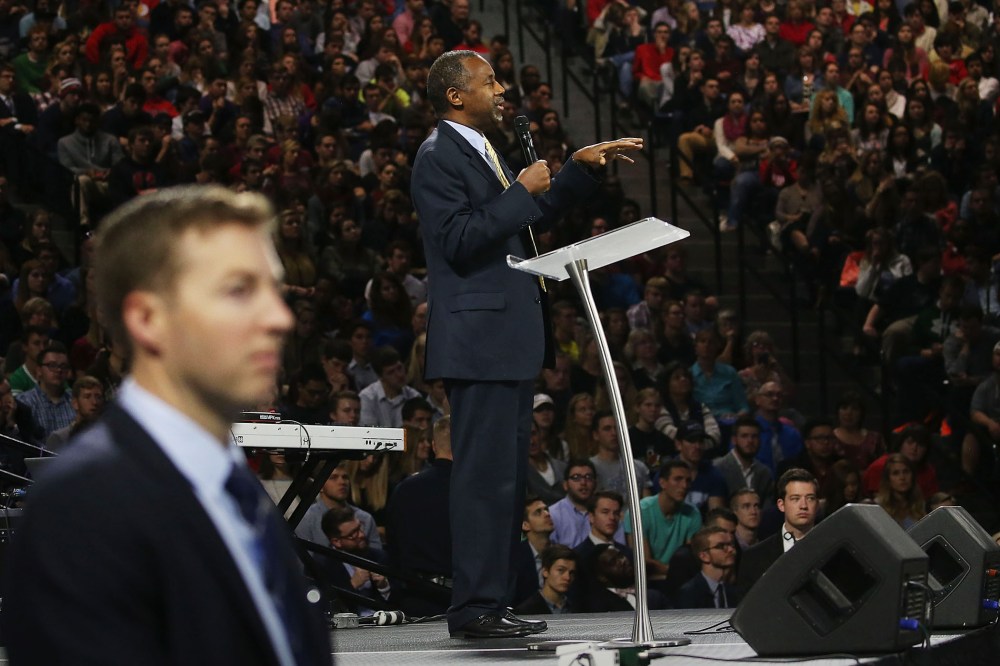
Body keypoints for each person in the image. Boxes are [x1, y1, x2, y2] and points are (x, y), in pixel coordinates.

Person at [2, 186, 330, 664]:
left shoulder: (231, 486)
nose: (278, 317)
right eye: (239, 290)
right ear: (148, 319)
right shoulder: (82, 511)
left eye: (275, 290)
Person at [411, 49, 643, 639]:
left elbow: (525, 217)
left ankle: (492, 599)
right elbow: (459, 240)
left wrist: (578, 170)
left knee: (504, 482)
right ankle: (473, 608)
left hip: (505, 339)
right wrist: (519, 189)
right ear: (456, 96)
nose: (501, 89)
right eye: (488, 82)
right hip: (479, 341)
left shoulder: (481, 152)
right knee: (483, 481)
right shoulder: (438, 155)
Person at [737, 468, 819, 593]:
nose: (803, 506)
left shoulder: (835, 552)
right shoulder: (754, 557)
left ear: (817, 505)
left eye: (810, 498)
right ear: (781, 505)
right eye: (795, 499)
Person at [673, 526, 740, 609]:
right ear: (704, 556)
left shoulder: (735, 592)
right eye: (721, 546)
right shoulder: (689, 593)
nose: (730, 550)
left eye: (731, 545)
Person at [514, 545, 577, 614]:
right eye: (561, 570)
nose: (567, 577)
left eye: (571, 573)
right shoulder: (525, 611)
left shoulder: (577, 609)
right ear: (545, 571)